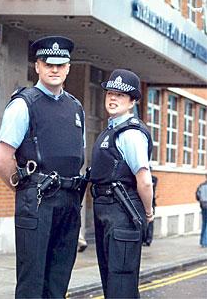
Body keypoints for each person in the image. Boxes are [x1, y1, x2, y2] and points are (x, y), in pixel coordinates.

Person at [0, 36, 85, 299]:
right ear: (37, 66)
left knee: (58, 280)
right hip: (36, 200)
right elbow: (2, 157)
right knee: (32, 281)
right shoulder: (24, 104)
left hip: (69, 200)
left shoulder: (75, 106)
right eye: (48, 64)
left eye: (60, 64)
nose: (54, 69)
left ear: (68, 67)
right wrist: (24, 189)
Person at [90, 69, 154, 298]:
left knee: (121, 283)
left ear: (133, 101)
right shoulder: (112, 129)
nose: (113, 98)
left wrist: (148, 213)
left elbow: (144, 180)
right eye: (110, 93)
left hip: (124, 210)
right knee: (112, 281)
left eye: (121, 94)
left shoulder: (131, 133)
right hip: (108, 210)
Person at [143, 174, 158, 246]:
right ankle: (145, 238)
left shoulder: (153, 179)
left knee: (150, 221)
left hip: (150, 204)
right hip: (146, 203)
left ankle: (148, 239)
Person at [196, 173, 207, 248]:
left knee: (204, 224)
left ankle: (201, 241)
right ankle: (205, 242)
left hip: (203, 206)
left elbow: (197, 195)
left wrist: (201, 202)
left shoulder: (201, 185)